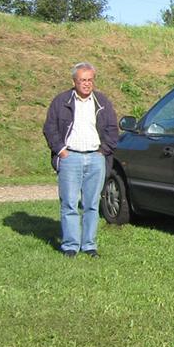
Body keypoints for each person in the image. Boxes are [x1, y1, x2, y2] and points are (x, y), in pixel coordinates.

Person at [42, 62, 119, 257]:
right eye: (82, 80)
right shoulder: (61, 101)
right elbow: (50, 128)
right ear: (74, 81)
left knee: (92, 204)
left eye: (90, 80)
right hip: (70, 157)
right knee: (69, 204)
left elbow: (112, 128)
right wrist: (61, 151)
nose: (86, 84)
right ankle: (70, 246)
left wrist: (103, 151)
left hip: (95, 158)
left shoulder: (102, 102)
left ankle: (89, 245)